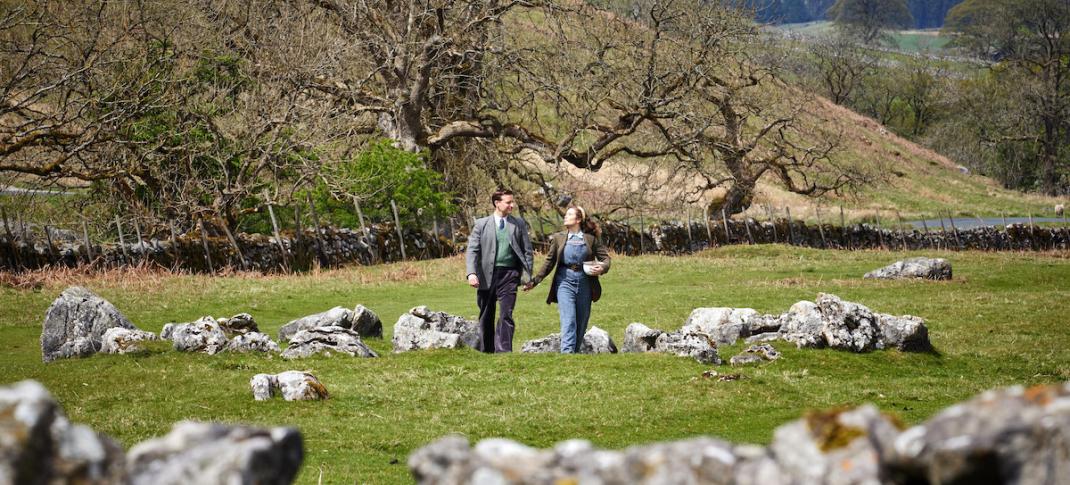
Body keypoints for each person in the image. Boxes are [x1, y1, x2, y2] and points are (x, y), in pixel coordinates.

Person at [525, 205, 610, 353]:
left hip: (585, 283)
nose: (565, 216)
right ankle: (567, 354)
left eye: (569, 214)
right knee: (569, 320)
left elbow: (606, 259)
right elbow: (549, 262)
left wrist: (602, 268)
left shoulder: (590, 239)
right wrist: (535, 281)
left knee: (581, 322)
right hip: (564, 282)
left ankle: (574, 355)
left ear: (578, 219)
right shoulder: (558, 238)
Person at [465, 189, 534, 353]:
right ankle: (487, 349)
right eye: (508, 202)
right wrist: (471, 273)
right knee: (486, 314)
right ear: (497, 203)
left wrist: (527, 276)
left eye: (512, 202)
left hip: (509, 275)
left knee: (506, 314)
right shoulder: (481, 224)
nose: (512, 205)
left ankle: (504, 351)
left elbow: (527, 252)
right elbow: (472, 250)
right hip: (486, 276)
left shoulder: (518, 224)